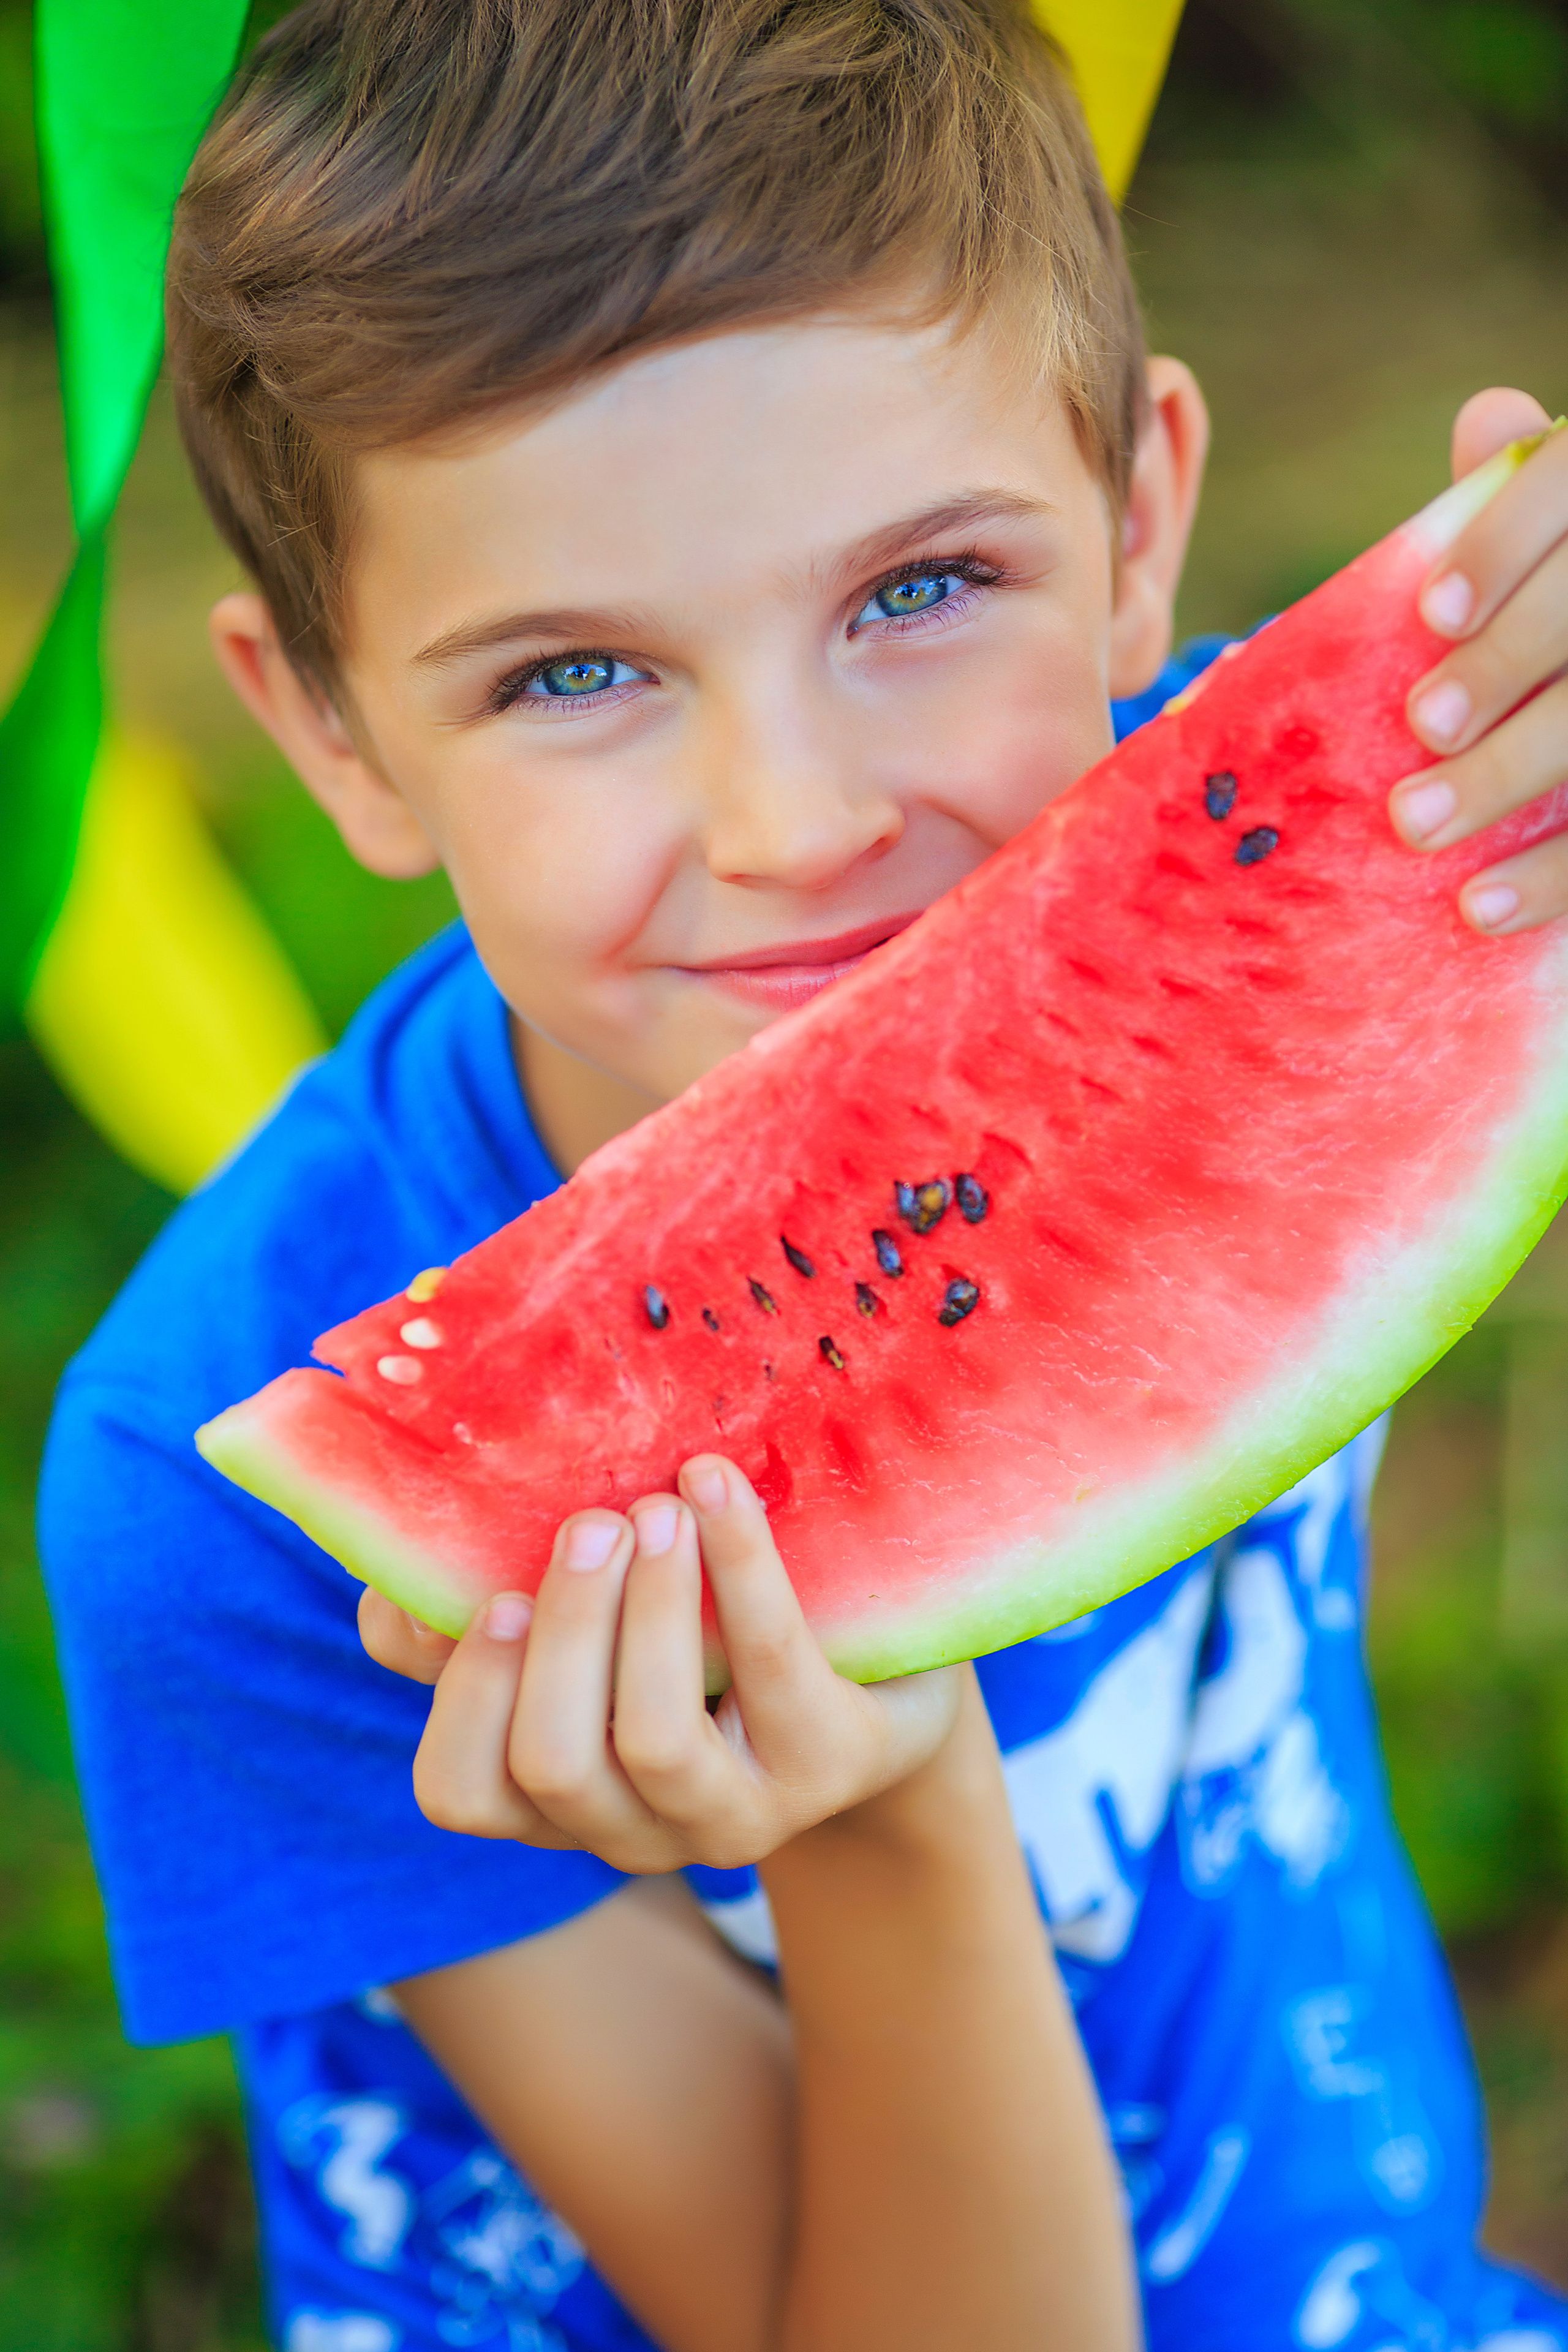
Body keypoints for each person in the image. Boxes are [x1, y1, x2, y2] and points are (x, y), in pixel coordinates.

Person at [37, 0, 1568, 2346]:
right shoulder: (219, 1493)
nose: (799, 822)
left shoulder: (1351, 834)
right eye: (571, 675)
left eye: (921, 590)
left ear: (1140, 524)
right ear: (331, 731)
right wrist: (874, 1820)